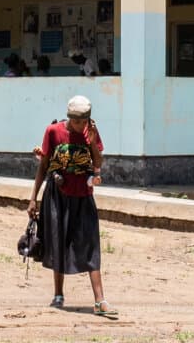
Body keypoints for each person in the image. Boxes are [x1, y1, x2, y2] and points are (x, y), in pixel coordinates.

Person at [28, 95, 117, 318]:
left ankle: (100, 301)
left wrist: (93, 141)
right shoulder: (53, 131)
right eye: (77, 122)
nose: (81, 126)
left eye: (85, 121)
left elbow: (98, 163)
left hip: (83, 196)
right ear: (69, 118)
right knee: (58, 241)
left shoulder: (90, 133)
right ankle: (58, 294)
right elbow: (44, 166)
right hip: (57, 196)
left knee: (90, 244)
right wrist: (33, 198)